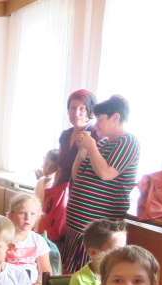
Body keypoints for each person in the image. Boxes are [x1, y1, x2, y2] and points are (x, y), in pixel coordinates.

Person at [62, 95, 141, 274]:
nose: (96, 124)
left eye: (100, 119)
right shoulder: (103, 143)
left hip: (97, 223)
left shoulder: (128, 141)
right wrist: (82, 151)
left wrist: (91, 147)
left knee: (93, 273)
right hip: (77, 221)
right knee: (72, 274)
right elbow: (77, 176)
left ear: (115, 118)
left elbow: (106, 173)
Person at [44, 91, 100, 247]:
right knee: (55, 239)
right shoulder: (65, 134)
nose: (77, 113)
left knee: (75, 243)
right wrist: (53, 192)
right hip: (61, 194)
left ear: (90, 111)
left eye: (82, 108)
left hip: (81, 197)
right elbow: (60, 168)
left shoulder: (96, 135)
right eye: (73, 108)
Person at [66, 219, 127, 285]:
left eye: (124, 249)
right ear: (93, 252)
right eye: (116, 250)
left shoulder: (125, 277)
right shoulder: (79, 279)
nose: (122, 255)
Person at [5, 193, 51, 285]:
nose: (28, 218)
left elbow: (46, 270)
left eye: (32, 214)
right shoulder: (3, 238)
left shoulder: (38, 240)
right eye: (22, 213)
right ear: (10, 215)